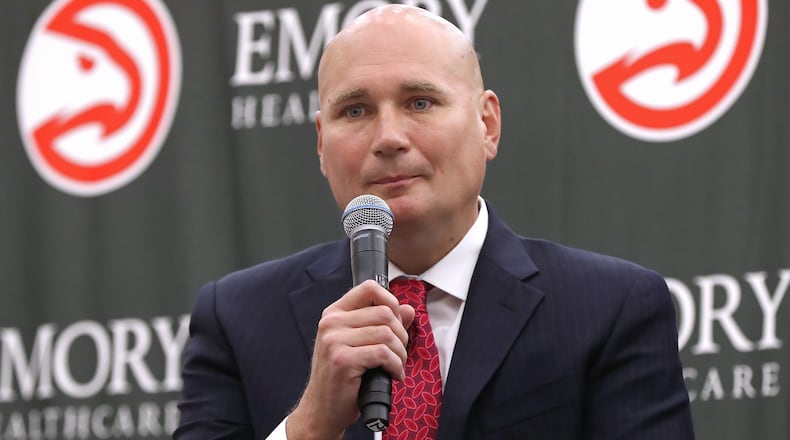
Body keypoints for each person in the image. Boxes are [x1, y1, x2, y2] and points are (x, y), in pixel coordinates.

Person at [175, 4, 695, 440]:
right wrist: (308, 426)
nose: (388, 137)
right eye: (354, 111)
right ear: (320, 143)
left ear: (486, 124)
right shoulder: (237, 318)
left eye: (419, 102)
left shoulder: (610, 308)